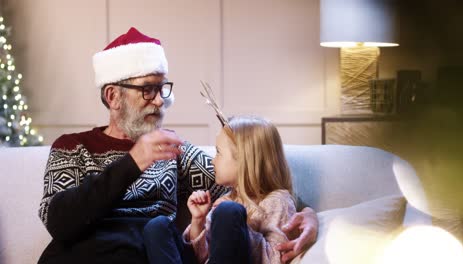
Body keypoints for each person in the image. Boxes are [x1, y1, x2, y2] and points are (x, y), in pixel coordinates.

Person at [37, 27, 317, 264]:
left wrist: (308, 215)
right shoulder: (73, 147)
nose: (160, 100)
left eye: (162, 88)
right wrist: (133, 162)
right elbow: (60, 222)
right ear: (113, 96)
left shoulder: (170, 150)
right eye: (148, 89)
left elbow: (254, 181)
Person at [149, 115, 299, 264]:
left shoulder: (278, 202)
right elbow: (200, 258)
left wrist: (241, 226)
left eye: (219, 153)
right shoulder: (227, 199)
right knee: (157, 227)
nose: (213, 160)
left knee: (229, 211)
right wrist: (198, 221)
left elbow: (277, 258)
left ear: (244, 161)